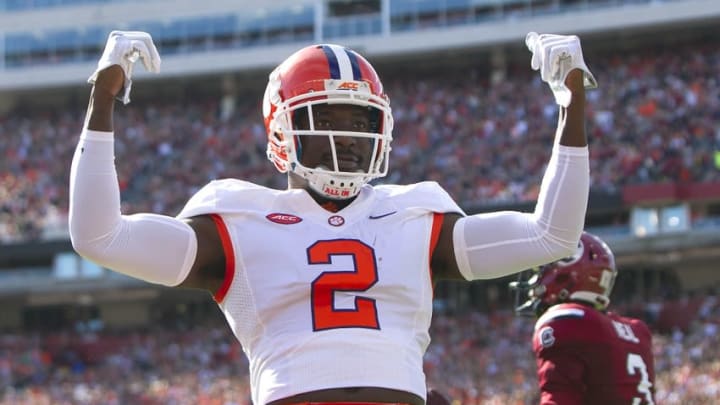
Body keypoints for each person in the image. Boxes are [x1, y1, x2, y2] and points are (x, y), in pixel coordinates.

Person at [69, 30, 594, 405]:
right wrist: (102, 100)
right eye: (327, 120)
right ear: (283, 128)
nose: (346, 136)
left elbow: (553, 234)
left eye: (360, 120)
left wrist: (572, 106)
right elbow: (98, 236)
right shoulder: (237, 216)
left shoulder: (416, 211)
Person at [510, 231, 656, 405]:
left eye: (541, 272)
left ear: (567, 274)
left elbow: (559, 400)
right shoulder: (637, 331)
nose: (536, 282)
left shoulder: (569, 321)